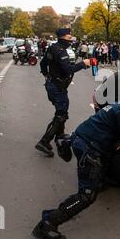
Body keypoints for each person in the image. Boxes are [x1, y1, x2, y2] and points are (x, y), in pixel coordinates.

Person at [32, 102, 120, 239]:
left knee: (99, 174)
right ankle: (48, 223)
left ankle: (67, 143)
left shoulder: (118, 106)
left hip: (82, 140)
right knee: (87, 195)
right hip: (90, 149)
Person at [35, 28, 91, 157]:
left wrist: (46, 75)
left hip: (53, 84)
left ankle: (59, 135)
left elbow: (43, 63)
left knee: (61, 111)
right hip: (57, 87)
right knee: (61, 114)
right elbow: (68, 70)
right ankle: (44, 141)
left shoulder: (52, 48)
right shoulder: (60, 51)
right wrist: (83, 64)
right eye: (69, 37)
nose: (70, 39)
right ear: (62, 37)